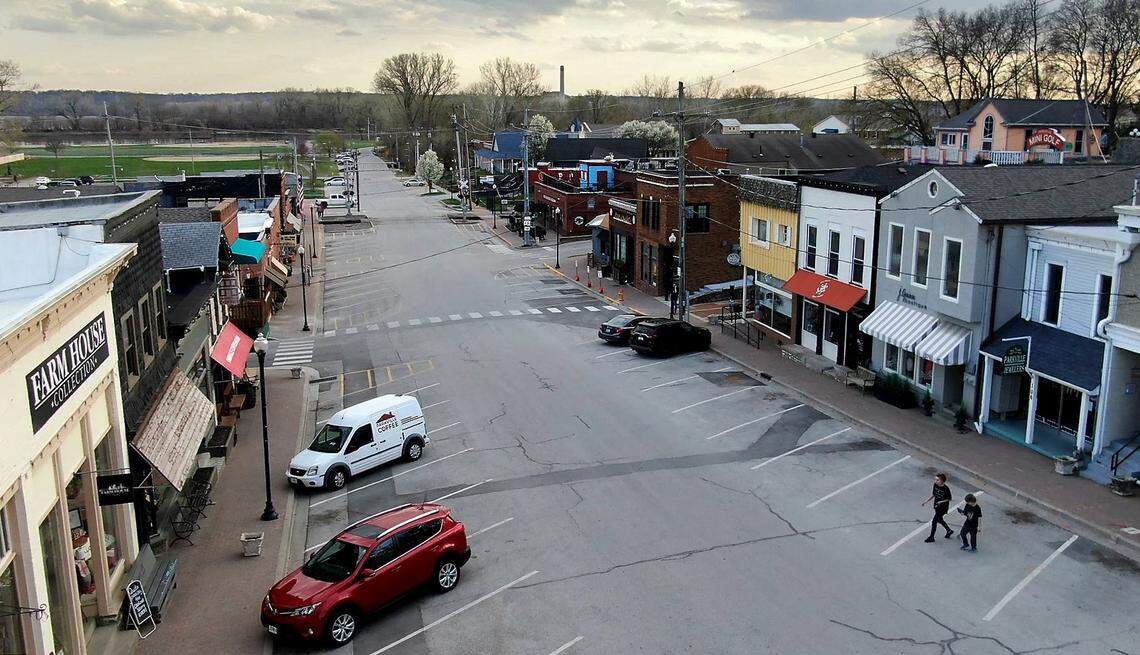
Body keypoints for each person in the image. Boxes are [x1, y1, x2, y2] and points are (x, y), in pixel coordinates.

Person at [922, 472, 954, 543]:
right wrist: (926, 501)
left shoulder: (946, 488)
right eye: (935, 480)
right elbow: (934, 494)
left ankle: (931, 537)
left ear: (942, 480)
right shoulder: (935, 485)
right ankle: (949, 531)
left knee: (934, 521)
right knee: (939, 519)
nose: (935, 481)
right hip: (936, 506)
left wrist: (941, 502)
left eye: (937, 480)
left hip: (943, 508)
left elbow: (949, 498)